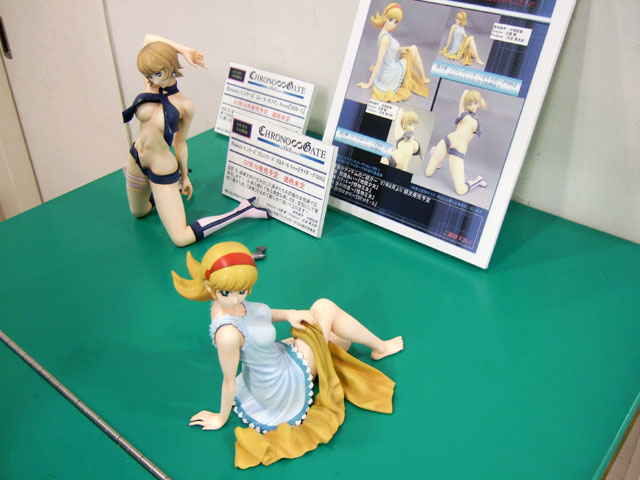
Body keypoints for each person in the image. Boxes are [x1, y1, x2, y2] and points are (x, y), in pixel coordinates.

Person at [172, 241, 403, 468]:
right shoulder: (228, 335)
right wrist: (220, 417)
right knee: (325, 307)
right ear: (209, 286)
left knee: (336, 339)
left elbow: (259, 313)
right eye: (227, 292)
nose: (236, 299)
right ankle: (381, 348)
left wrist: (290, 314)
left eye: (242, 291)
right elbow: (228, 380)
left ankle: (330, 342)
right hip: (280, 385)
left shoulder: (223, 304)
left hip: (271, 359)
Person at [122, 35, 269, 247]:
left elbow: (180, 142)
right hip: (136, 157)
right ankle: (163, 198)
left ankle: (242, 211)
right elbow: (149, 39)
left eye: (158, 73)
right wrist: (184, 50)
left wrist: (184, 176)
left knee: (181, 238)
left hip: (161, 168)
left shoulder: (184, 105)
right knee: (139, 212)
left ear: (170, 67)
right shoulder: (150, 85)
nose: (153, 79)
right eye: (148, 75)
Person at [357, 3, 430, 102]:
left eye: (396, 22)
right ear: (384, 18)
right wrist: (368, 84)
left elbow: (389, 49)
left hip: (387, 70)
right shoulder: (385, 39)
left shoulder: (384, 34)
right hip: (390, 74)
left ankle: (423, 77)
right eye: (390, 20)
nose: (392, 24)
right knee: (414, 48)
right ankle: (423, 78)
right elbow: (378, 62)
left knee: (410, 49)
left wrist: (400, 49)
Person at [425, 89, 488, 195]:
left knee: (461, 190)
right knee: (428, 173)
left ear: (478, 104)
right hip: (447, 141)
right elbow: (462, 102)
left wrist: (462, 146)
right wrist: (465, 93)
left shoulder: (476, 123)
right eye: (469, 104)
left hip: (457, 151)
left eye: (475, 103)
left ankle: (478, 180)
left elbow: (468, 139)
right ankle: (437, 155)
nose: (472, 106)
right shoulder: (464, 114)